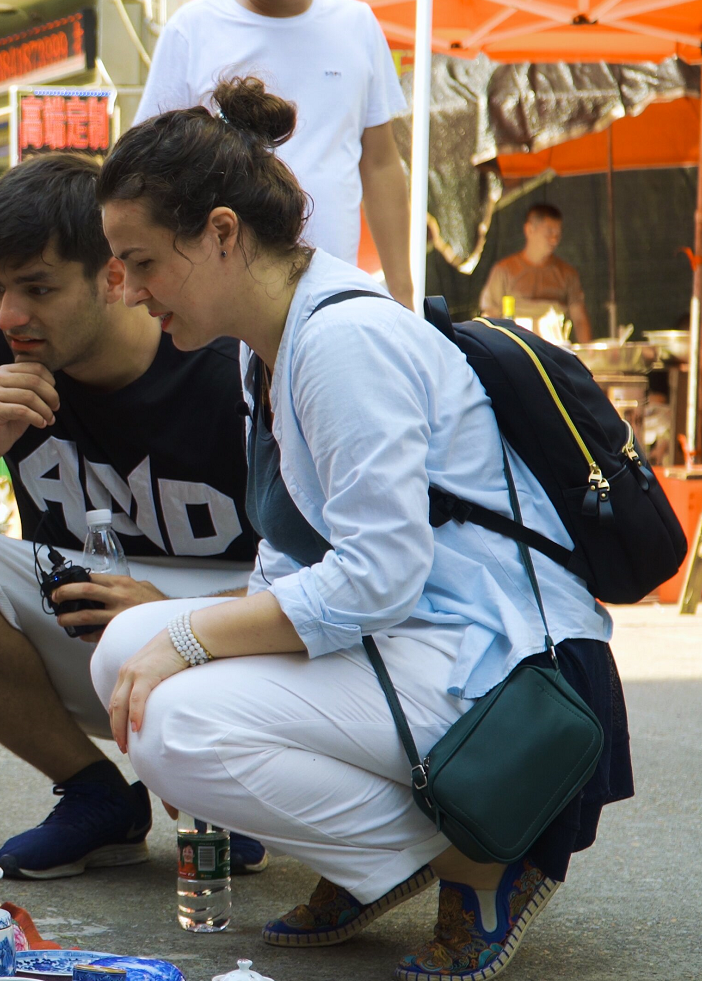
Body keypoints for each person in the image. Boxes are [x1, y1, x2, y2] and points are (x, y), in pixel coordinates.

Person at [94, 78, 628, 980]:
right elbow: (296, 556)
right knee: (122, 653)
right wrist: (178, 636)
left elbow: (379, 575)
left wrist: (192, 634)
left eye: (141, 261)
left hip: (507, 675)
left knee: (173, 719)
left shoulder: (342, 341)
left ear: (221, 232)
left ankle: (485, 849)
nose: (129, 289)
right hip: (427, 640)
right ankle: (367, 861)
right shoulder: (273, 338)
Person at [0, 153, 264, 881]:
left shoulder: (225, 363)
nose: (10, 314)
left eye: (37, 288)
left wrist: (183, 615)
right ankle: (96, 793)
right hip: (87, 619)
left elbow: (342, 580)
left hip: (236, 627)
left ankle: (232, 795)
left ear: (115, 275)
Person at [135, 0, 413, 307]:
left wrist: (402, 294)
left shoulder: (356, 21)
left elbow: (380, 164)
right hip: (227, 301)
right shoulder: (192, 27)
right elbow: (150, 170)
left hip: (332, 291)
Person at [479, 203, 592, 342]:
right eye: (549, 231)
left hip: (554, 351)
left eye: (558, 233)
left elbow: (579, 318)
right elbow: (490, 315)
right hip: (516, 349)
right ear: (529, 230)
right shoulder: (503, 271)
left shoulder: (567, 273)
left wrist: (587, 356)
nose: (554, 239)